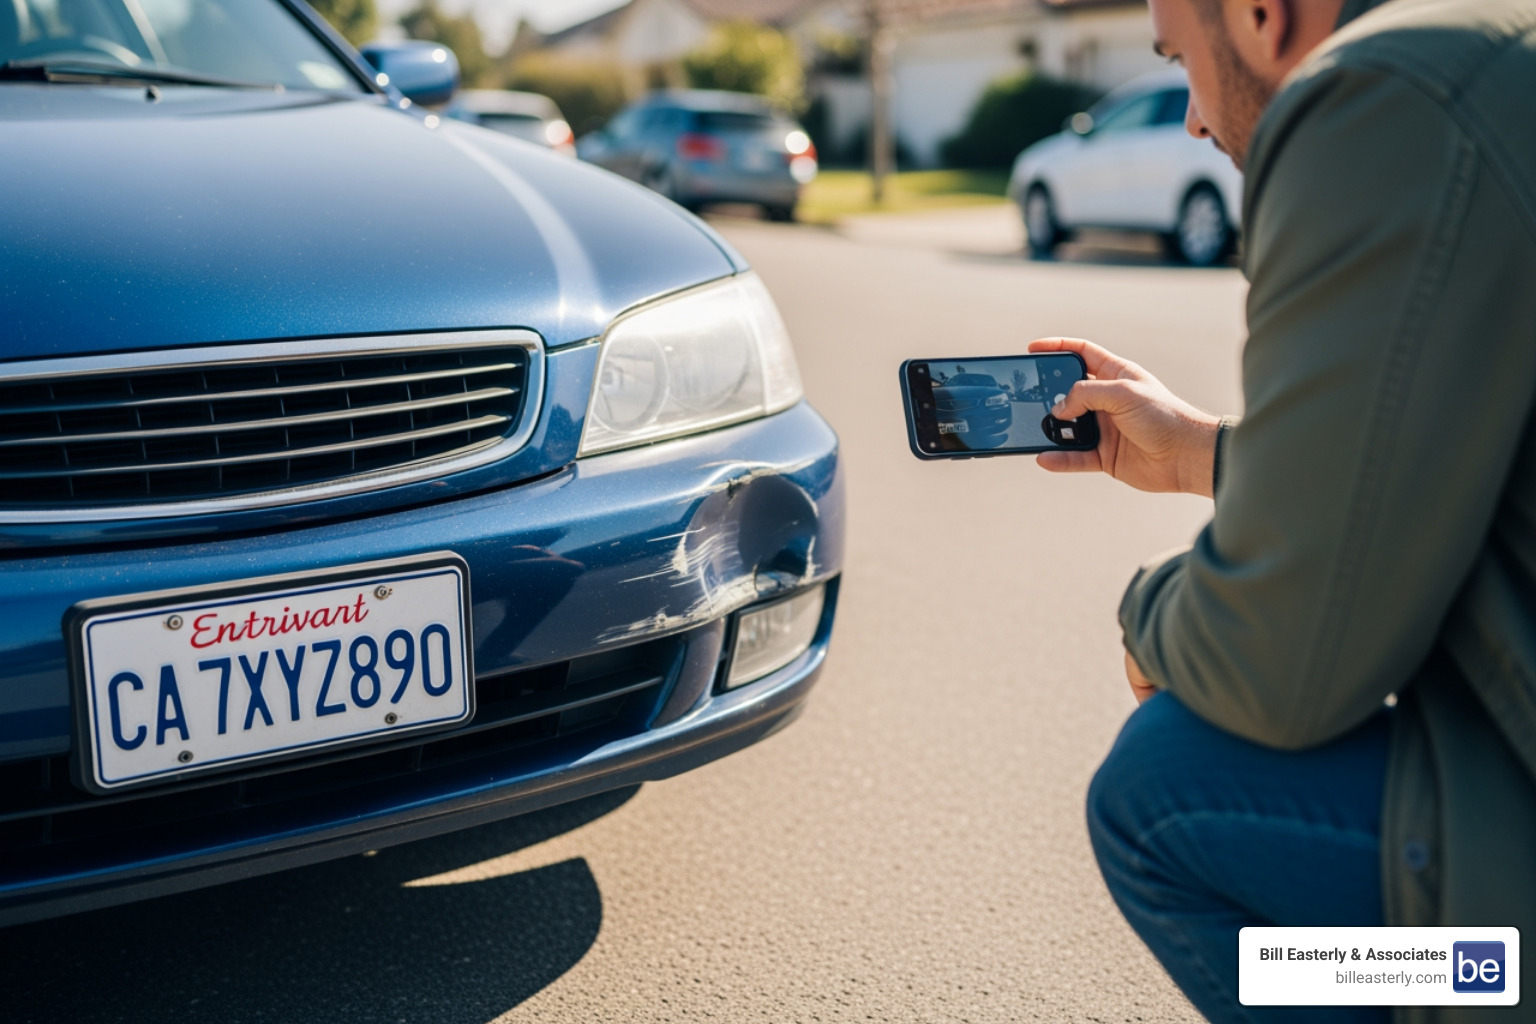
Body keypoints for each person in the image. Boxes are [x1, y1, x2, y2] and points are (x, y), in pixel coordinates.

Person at [1033, 0, 1536, 1021]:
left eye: (1182, 62)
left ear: (1263, 14)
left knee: (1165, 790)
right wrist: (1208, 454)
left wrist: (1146, 617)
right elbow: (1444, 444)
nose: (1191, 121)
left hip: (1510, 949)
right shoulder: (1497, 49)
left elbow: (1283, 663)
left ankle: (1460, 983)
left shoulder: (1383, 95)